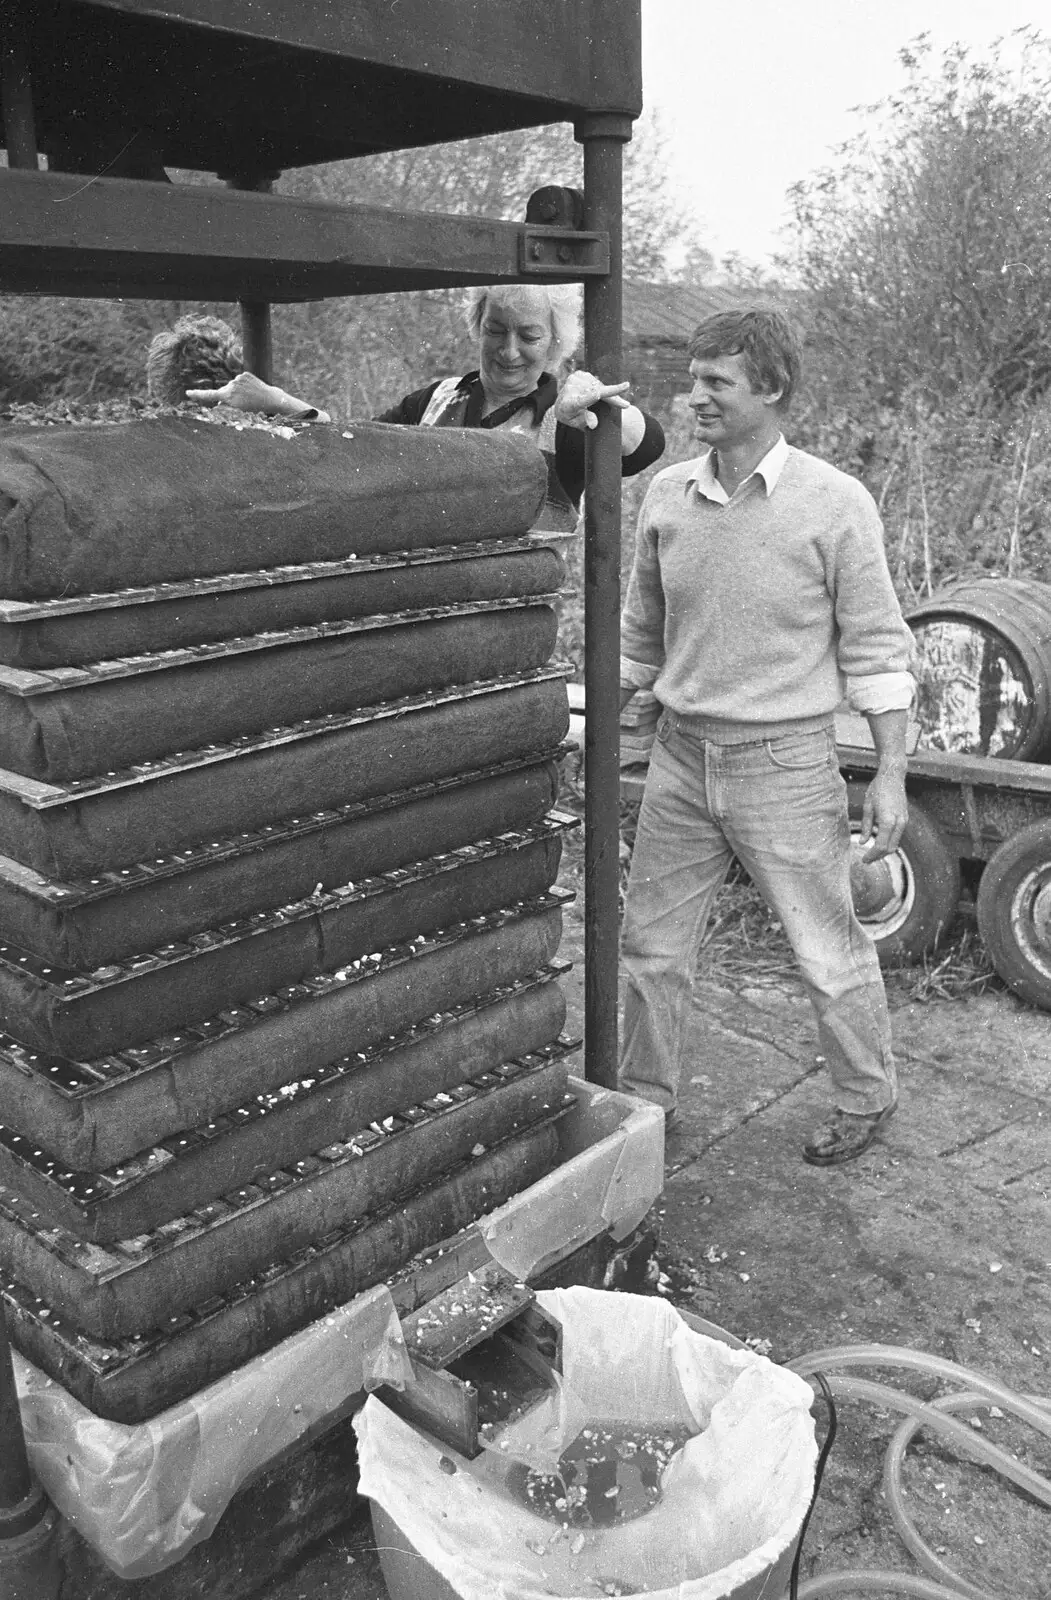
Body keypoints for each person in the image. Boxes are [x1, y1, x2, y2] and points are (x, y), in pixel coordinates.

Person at [618, 308, 914, 1166]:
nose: (694, 396)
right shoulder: (667, 494)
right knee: (650, 949)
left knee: (827, 950)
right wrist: (615, 714)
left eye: (716, 382)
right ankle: (644, 1107)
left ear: (773, 390)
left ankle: (865, 1098)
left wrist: (890, 773)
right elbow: (639, 635)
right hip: (680, 759)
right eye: (693, 377)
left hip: (785, 765)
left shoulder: (833, 503)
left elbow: (877, 651)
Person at [375, 283, 665, 532]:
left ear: (555, 341)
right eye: (495, 330)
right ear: (478, 325)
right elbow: (368, 448)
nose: (509, 351)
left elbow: (647, 445)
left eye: (529, 337)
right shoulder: (433, 400)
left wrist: (599, 403)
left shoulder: (565, 421)